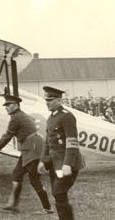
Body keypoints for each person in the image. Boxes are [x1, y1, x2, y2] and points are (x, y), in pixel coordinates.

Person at [0, 95, 53, 214]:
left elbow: (8, 135)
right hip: (28, 149)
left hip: (32, 150)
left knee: (34, 180)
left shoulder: (16, 118)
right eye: (6, 105)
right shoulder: (21, 115)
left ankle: (47, 208)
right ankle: (13, 204)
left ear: (16, 105)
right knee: (16, 174)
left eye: (8, 105)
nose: (6, 108)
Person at [38, 86, 85, 220]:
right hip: (55, 163)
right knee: (57, 193)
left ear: (59, 100)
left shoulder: (67, 117)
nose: (47, 102)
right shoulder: (51, 118)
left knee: (59, 192)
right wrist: (42, 160)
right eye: (46, 100)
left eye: (50, 100)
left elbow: (72, 142)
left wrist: (68, 164)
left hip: (66, 164)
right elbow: (48, 141)